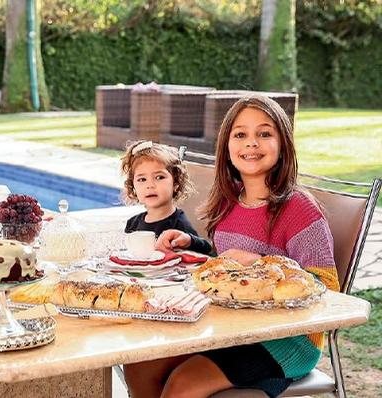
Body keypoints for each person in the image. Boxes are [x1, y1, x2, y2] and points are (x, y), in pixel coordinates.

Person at [127, 95, 340, 398]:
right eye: (240, 134)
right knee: (140, 364)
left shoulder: (299, 209)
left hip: (287, 340)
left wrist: (260, 262)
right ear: (227, 147)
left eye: (264, 134)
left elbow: (328, 290)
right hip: (232, 327)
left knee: (183, 385)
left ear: (283, 146)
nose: (251, 143)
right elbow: (226, 267)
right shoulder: (229, 203)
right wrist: (193, 248)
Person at [121, 140, 212, 255]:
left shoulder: (179, 225)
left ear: (176, 183)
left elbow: (206, 251)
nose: (150, 185)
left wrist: (189, 241)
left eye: (159, 177)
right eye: (142, 179)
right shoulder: (132, 224)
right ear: (133, 186)